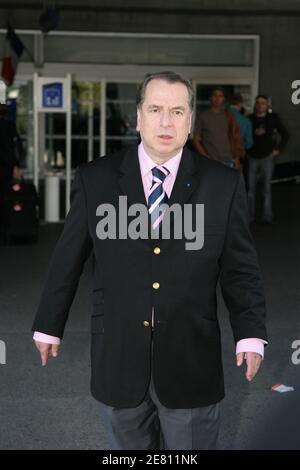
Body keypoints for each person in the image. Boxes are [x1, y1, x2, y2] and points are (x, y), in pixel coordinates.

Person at [32, 71, 267, 450]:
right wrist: (48, 324)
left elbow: (241, 269)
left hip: (191, 358)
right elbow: (67, 258)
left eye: (177, 111)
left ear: (190, 121)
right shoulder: (97, 179)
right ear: (138, 116)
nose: (165, 121)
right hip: (119, 353)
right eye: (155, 109)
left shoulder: (222, 185)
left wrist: (251, 334)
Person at [248, 95, 289, 224]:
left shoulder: (273, 119)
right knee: (250, 189)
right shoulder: (249, 119)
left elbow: (286, 134)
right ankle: (250, 217)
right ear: (255, 104)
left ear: (267, 105)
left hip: (267, 157)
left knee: (266, 189)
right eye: (258, 103)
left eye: (263, 103)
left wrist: (278, 149)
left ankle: (267, 217)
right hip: (252, 157)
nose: (260, 105)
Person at [193, 87, 245, 169]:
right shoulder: (202, 116)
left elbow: (235, 137)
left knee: (228, 182)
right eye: (215, 95)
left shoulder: (228, 116)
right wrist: (206, 157)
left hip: (229, 160)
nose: (217, 98)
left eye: (220, 96)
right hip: (211, 161)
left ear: (223, 99)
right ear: (210, 98)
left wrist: (236, 157)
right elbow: (196, 140)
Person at [0, 103, 22, 232]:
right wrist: (16, 165)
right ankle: (6, 226)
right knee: (7, 195)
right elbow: (17, 147)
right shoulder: (10, 126)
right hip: (7, 167)